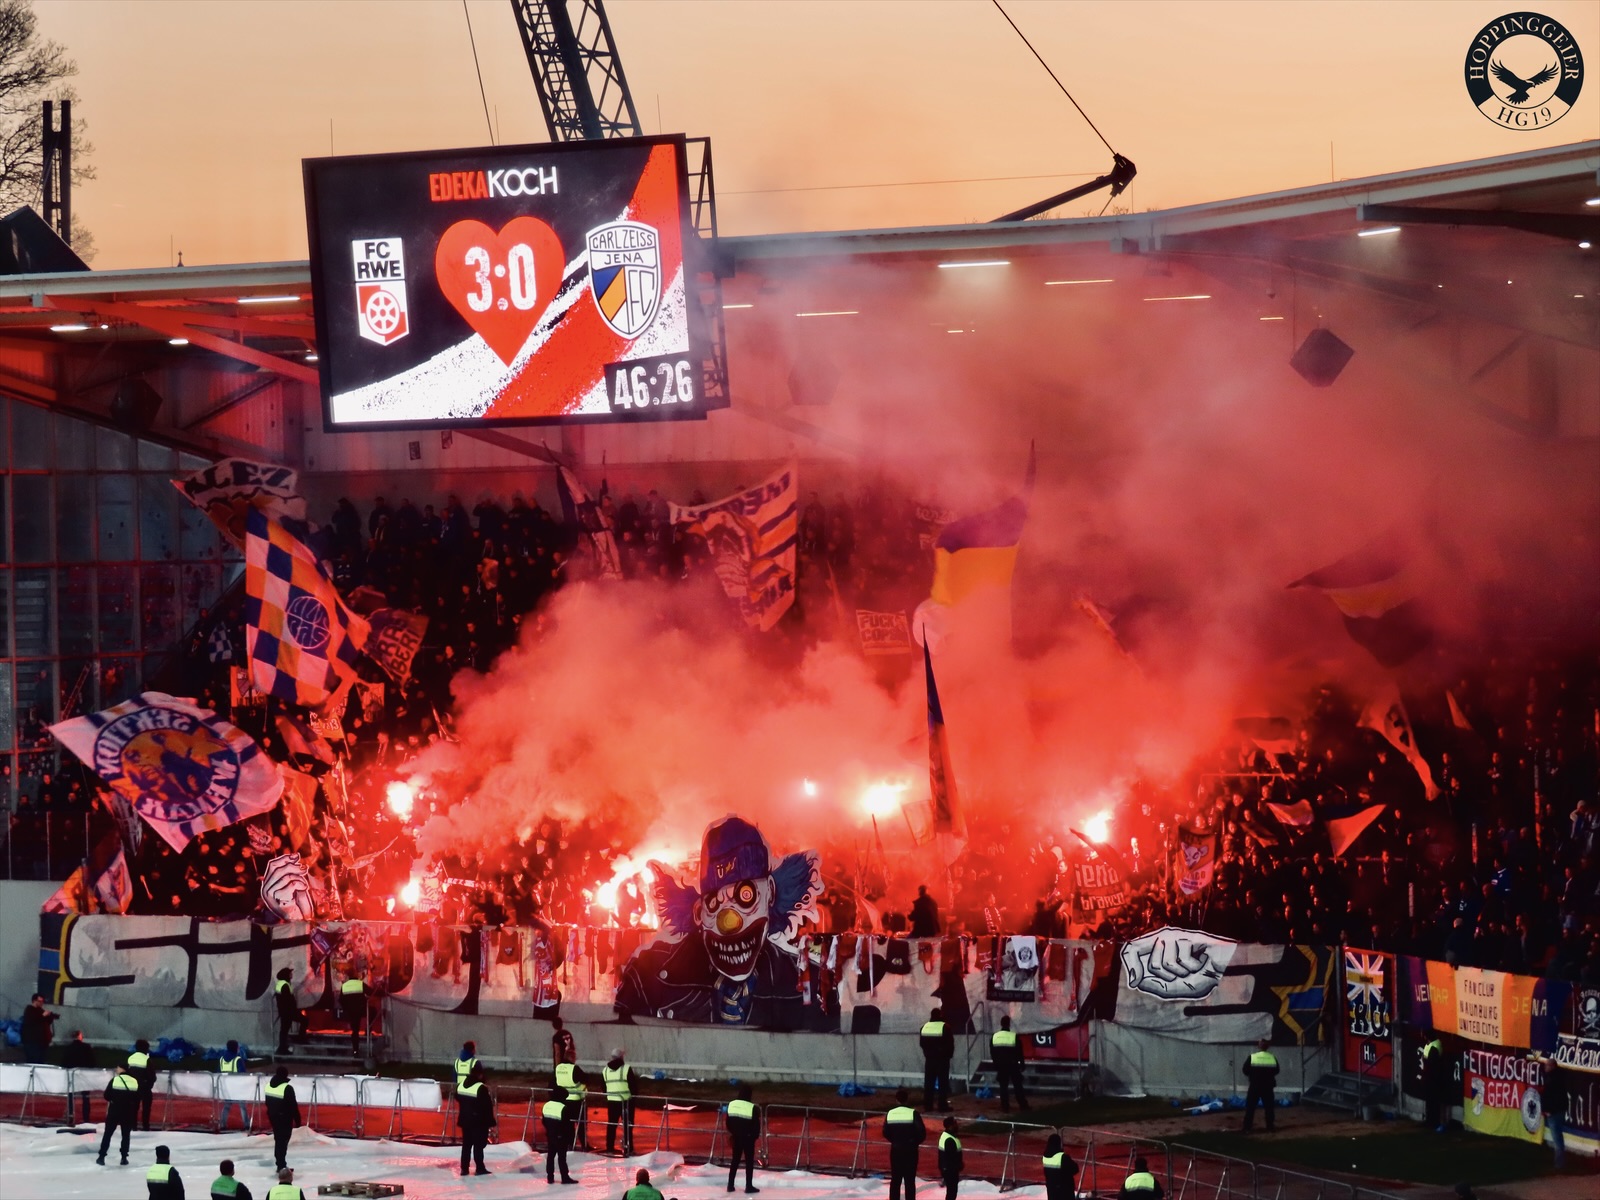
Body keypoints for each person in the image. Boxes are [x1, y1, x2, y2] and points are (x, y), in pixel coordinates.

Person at [881, 1089, 926, 1200]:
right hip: (910, 1151)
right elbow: (922, 1132)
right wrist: (913, 1142)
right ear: (907, 1099)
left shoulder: (890, 1113)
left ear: (896, 1100)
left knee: (895, 1179)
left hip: (896, 1150)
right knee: (909, 1180)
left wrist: (895, 1141)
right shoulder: (913, 1113)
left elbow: (885, 1132)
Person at [456, 1062, 495, 1177]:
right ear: (480, 1075)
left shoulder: (461, 1085)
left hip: (464, 1120)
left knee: (466, 1145)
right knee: (478, 1145)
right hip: (478, 1122)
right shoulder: (481, 1088)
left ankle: (464, 1169)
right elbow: (487, 1107)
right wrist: (490, 1122)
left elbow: (457, 1097)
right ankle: (480, 1168)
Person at [97, 1065, 140, 1165]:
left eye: (118, 1067)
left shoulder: (115, 1080)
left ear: (122, 1069)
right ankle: (124, 1158)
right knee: (125, 1135)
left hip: (114, 1110)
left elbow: (106, 1095)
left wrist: (115, 1099)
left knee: (107, 1134)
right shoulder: (134, 1081)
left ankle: (101, 1157)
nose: (116, 1069)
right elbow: (137, 1097)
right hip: (128, 1111)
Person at [263, 1066, 301, 1173]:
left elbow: (267, 1102)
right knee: (282, 1142)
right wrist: (297, 1121)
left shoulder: (268, 1086)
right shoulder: (287, 1088)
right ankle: (281, 1165)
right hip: (284, 1119)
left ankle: (280, 1163)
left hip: (273, 1117)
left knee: (278, 1140)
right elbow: (293, 1106)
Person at [726, 1083, 760, 1194]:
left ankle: (730, 1185)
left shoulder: (732, 1104)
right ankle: (748, 1186)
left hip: (736, 1137)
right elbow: (756, 1125)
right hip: (748, 1139)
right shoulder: (752, 1108)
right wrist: (754, 1137)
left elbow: (728, 1122)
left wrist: (733, 1133)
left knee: (735, 1161)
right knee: (749, 1162)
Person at [991, 1016, 1028, 1114]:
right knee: (1017, 1086)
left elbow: (992, 1052)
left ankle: (1005, 1106)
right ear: (1009, 1024)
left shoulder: (995, 1036)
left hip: (1001, 1066)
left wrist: (996, 1064)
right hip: (1012, 1065)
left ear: (1001, 1024)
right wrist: (1022, 1064)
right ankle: (1023, 1105)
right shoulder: (1013, 1036)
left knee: (1003, 1086)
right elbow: (1020, 1052)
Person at [920, 1007, 955, 1112]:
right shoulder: (945, 1027)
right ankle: (942, 1105)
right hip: (942, 1060)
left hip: (929, 1060)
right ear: (940, 1015)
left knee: (929, 1083)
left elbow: (922, 1044)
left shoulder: (924, 1027)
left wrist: (928, 1053)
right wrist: (948, 1055)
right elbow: (950, 1044)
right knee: (942, 1083)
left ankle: (928, 1105)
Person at [540, 1088, 577, 1184]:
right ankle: (564, 1177)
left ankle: (550, 1177)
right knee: (562, 1158)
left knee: (550, 1156)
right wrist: (570, 1139)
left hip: (550, 1135)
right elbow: (568, 1126)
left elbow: (544, 1121)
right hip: (561, 1136)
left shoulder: (546, 1105)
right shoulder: (563, 1107)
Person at [602, 1047, 635, 1156]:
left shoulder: (605, 1070)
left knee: (611, 1125)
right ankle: (628, 1147)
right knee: (627, 1126)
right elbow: (633, 1086)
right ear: (621, 1057)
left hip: (611, 1101)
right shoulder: (626, 1068)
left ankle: (609, 1147)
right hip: (625, 1101)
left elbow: (603, 1087)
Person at [1241, 1039, 1279, 1133]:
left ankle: (1247, 1128)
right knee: (1269, 1107)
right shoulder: (1272, 1057)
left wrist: (1253, 1075)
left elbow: (1245, 1070)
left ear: (1258, 1046)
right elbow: (1277, 1070)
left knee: (1250, 1107)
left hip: (1255, 1086)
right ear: (1268, 1047)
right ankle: (1270, 1127)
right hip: (1268, 1086)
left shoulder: (1253, 1057)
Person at [555, 1054, 589, 1150]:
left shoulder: (558, 1068)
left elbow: (554, 1082)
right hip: (576, 1100)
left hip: (563, 1100)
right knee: (581, 1124)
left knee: (568, 1124)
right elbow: (585, 1079)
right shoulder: (574, 1068)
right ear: (572, 1058)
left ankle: (570, 1143)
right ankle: (584, 1144)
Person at [1540, 1053, 1568, 1169]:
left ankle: (1559, 1163)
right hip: (1560, 1110)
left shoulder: (1551, 1080)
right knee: (1559, 1137)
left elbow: (1549, 1096)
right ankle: (1560, 1161)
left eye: (1547, 1066)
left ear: (1552, 1066)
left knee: (1556, 1138)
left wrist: (1548, 1110)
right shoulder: (1560, 1078)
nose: (1545, 1068)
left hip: (1554, 1112)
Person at [61, 1028, 95, 1125]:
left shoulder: (68, 1048)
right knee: (85, 1097)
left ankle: (71, 1116)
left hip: (72, 1075)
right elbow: (92, 1061)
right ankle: (86, 1118)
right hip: (84, 1075)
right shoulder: (87, 1047)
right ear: (80, 1036)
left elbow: (64, 1062)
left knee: (71, 1096)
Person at [216, 1040, 250, 1133]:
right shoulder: (237, 1059)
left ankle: (222, 1124)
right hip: (237, 1086)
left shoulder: (222, 1059)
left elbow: (218, 1072)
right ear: (236, 1048)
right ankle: (246, 1125)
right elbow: (243, 1073)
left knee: (227, 1105)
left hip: (226, 1087)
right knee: (242, 1106)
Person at [272, 969, 305, 1055]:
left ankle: (282, 1048)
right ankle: (300, 1039)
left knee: (284, 1030)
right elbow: (288, 1000)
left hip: (284, 1011)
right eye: (290, 973)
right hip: (288, 1011)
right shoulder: (285, 985)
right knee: (304, 1020)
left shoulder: (281, 983)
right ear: (286, 975)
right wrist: (295, 1010)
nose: (291, 974)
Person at [128, 1038, 158, 1131]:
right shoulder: (146, 1059)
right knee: (146, 1109)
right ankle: (145, 1127)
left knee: (133, 1108)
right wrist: (150, 1084)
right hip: (144, 1088)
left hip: (132, 1087)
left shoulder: (130, 1058)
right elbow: (152, 1076)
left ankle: (133, 1127)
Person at [1421, 1036, 1450, 1132]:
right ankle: (1430, 1120)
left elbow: (1433, 1064)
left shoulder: (1434, 1047)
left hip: (1433, 1079)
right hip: (1431, 1077)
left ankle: (1433, 1122)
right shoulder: (1432, 1045)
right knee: (1430, 1100)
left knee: (1433, 1101)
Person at [19, 993, 58, 1063]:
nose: (41, 1003)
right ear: (34, 1001)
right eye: (40, 1001)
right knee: (33, 1060)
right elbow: (32, 1021)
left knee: (41, 1060)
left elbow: (46, 1022)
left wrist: (50, 1016)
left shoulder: (40, 1010)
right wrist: (43, 1015)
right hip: (32, 1042)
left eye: (42, 1001)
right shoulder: (29, 1010)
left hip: (41, 1042)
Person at [339, 967, 368, 1057]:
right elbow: (371, 991)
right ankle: (368, 1030)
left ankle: (355, 1051)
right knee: (373, 1011)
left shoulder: (344, 986)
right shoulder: (360, 984)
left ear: (348, 975)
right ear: (355, 974)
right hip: (361, 1009)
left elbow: (340, 1000)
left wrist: (346, 1008)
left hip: (351, 1012)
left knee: (355, 1031)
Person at [1041, 1133, 1078, 1200]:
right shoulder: (1063, 1157)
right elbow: (1075, 1169)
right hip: (1065, 1191)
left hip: (1052, 1191)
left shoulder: (1045, 1157)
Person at [937, 1116, 963, 1200]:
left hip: (947, 1168)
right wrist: (958, 1165)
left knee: (951, 1191)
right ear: (950, 1126)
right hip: (950, 1169)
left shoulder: (946, 1136)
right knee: (952, 1192)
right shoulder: (949, 1139)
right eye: (955, 1123)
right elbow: (951, 1157)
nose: (957, 1125)